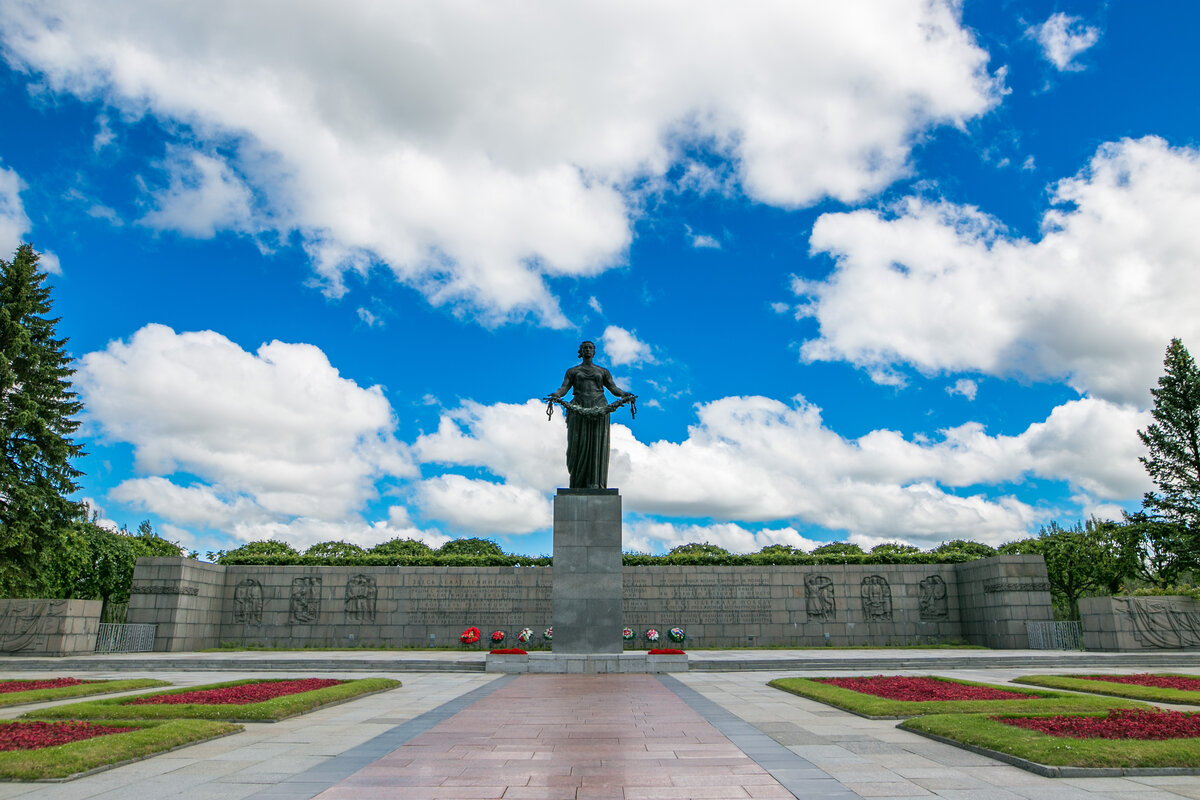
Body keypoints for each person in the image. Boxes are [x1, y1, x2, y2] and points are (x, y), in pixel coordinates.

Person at [544, 341, 634, 489]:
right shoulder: (572, 371)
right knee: (577, 446)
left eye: (590, 348)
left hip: (599, 408)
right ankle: (577, 482)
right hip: (578, 407)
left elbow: (613, 387)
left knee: (596, 445)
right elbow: (564, 388)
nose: (587, 350)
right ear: (580, 351)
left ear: (594, 351)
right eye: (585, 348)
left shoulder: (602, 371)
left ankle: (595, 483)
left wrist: (624, 394)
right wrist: (556, 395)